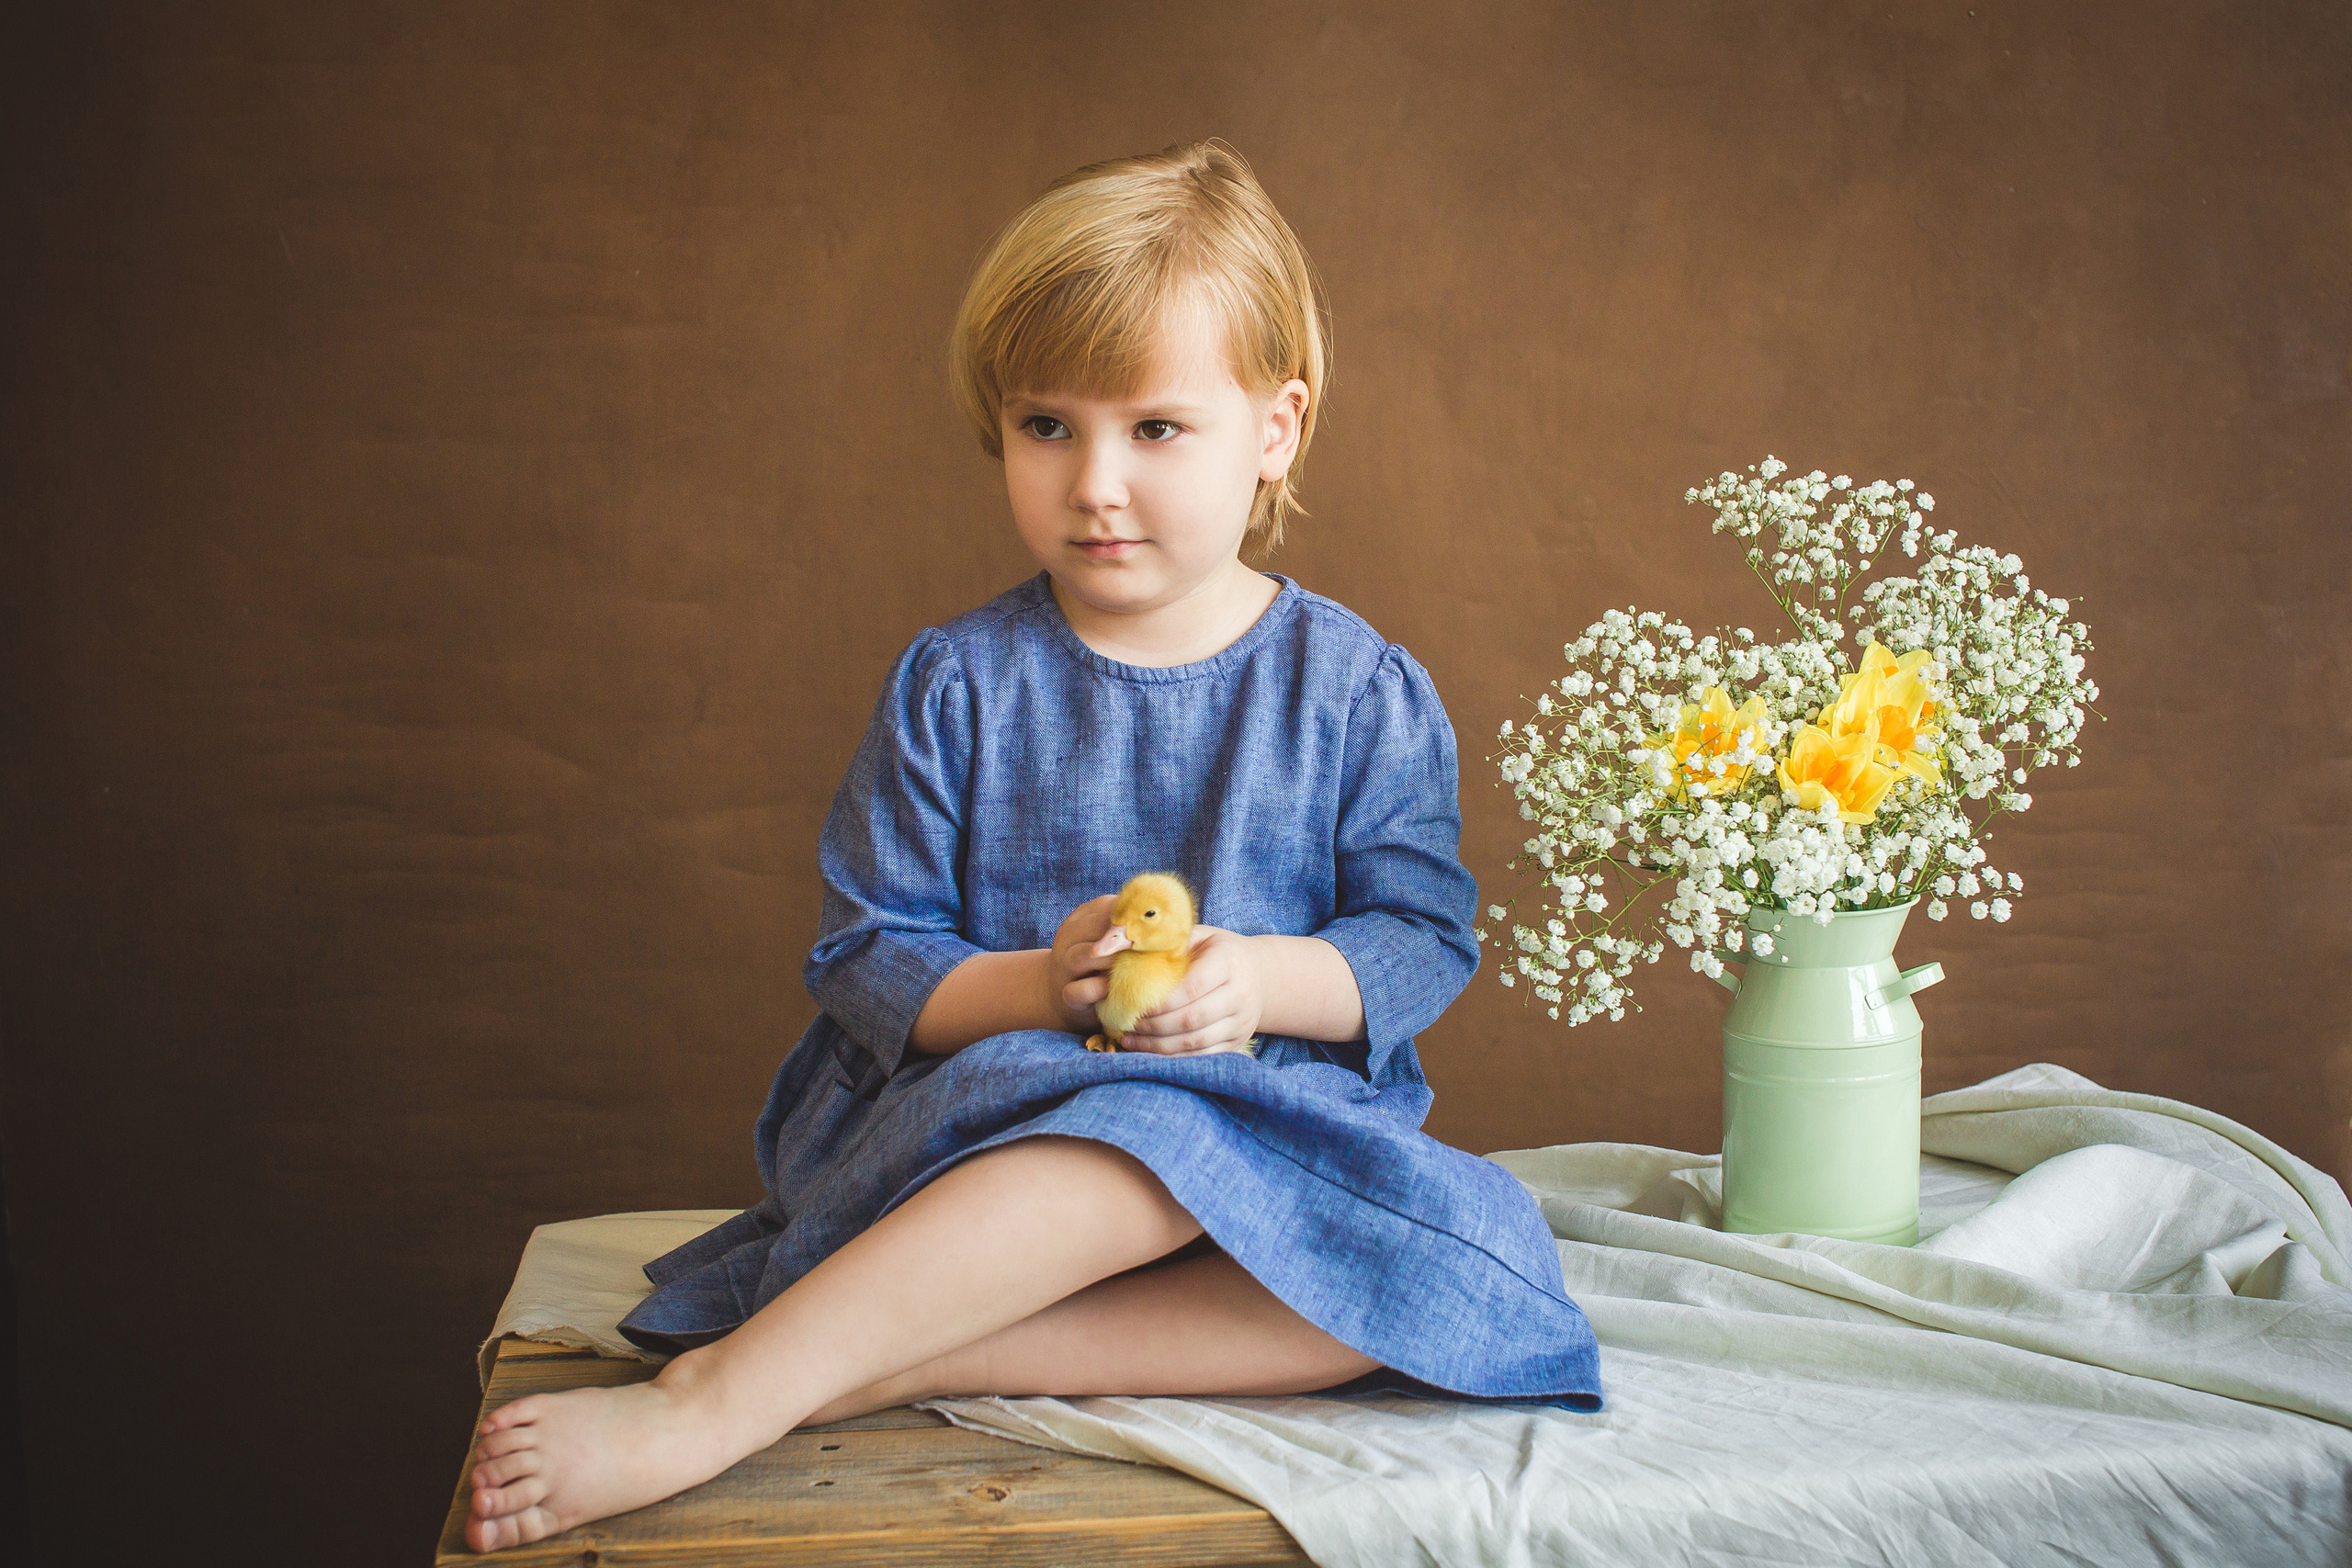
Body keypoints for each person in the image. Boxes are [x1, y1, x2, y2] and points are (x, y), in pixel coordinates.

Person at [463, 138, 1600, 1553]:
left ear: (1279, 428)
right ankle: (716, 1400)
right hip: (987, 1123)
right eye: (1047, 427)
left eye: (1156, 430)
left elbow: (1420, 937)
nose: (1096, 483)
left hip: (1277, 1135)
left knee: (1455, 1281)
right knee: (1144, 1123)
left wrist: (1261, 983)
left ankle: (935, 1349)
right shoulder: (960, 681)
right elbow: (866, 950)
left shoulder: (1359, 690)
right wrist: (1039, 988)